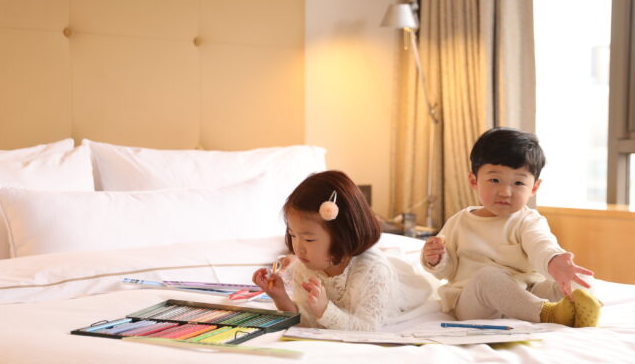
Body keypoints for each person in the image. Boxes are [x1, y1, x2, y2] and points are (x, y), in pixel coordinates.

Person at [421, 127, 602, 327]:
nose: (505, 192)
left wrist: (554, 261)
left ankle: (577, 310)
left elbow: (540, 244)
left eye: (518, 183)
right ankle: (547, 314)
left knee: (579, 277)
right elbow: (446, 272)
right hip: (475, 303)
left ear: (534, 188)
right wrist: (436, 259)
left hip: (526, 294)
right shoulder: (459, 222)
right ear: (474, 181)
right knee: (488, 276)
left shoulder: (529, 220)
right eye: (494, 180)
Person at [253, 170, 431, 331]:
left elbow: (367, 329)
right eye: (292, 235)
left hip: (397, 288)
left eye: (309, 239)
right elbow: (306, 321)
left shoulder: (373, 271)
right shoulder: (304, 266)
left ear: (343, 235)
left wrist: (324, 310)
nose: (298, 249)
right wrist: (281, 298)